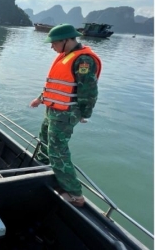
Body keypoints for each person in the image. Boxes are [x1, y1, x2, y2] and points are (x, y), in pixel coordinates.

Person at [29, 23, 102, 207]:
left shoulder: (83, 60)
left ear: (66, 40)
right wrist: (40, 99)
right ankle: (43, 167)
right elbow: (57, 84)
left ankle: (75, 194)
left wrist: (85, 113)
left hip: (66, 114)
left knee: (58, 150)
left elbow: (89, 91)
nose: (51, 46)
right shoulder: (65, 56)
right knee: (44, 137)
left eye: (53, 43)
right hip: (53, 110)